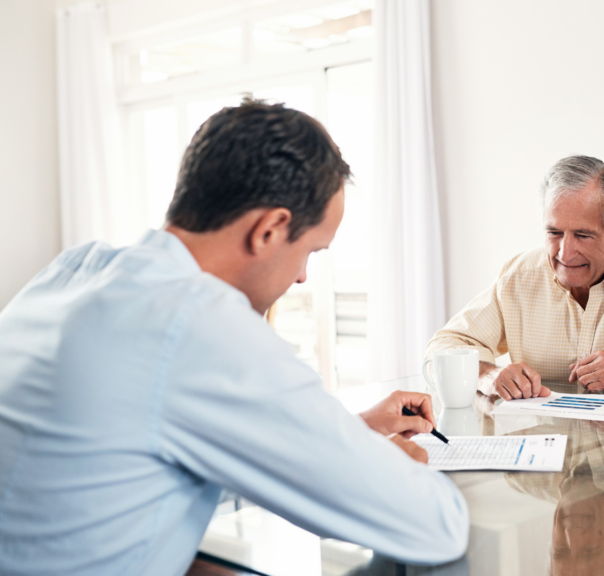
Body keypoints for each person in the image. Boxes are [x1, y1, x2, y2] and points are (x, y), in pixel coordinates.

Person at [0, 101, 468, 576]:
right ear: (270, 230)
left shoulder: (77, 269)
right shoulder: (197, 322)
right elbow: (434, 525)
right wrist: (383, 465)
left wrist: (351, 432)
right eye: (310, 251)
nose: (303, 277)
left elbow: (150, 450)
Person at [426, 156, 604, 400]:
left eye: (583, 235)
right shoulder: (518, 279)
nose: (564, 253)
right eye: (554, 233)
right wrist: (488, 374)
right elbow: (442, 348)